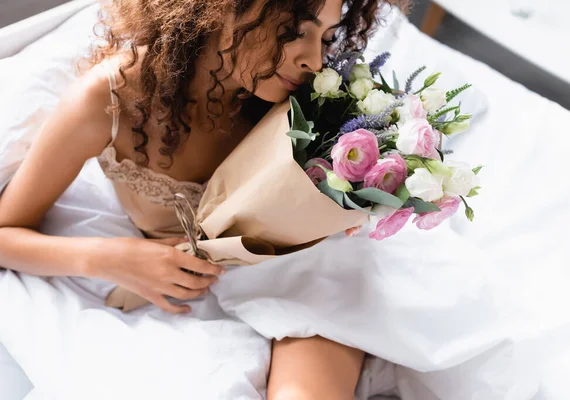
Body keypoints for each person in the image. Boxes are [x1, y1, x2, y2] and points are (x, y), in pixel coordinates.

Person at [0, 0, 410, 398]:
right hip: (200, 290)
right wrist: (113, 258)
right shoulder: (110, 100)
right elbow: (5, 234)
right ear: (220, 8)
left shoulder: (303, 104)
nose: (315, 62)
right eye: (293, 32)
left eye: (327, 38)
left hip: (302, 268)